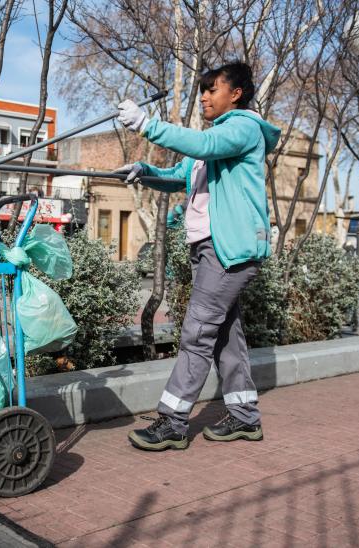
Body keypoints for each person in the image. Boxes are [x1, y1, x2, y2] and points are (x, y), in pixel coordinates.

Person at [115, 62, 281, 451]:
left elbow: (203, 146)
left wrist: (146, 124)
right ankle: (244, 417)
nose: (204, 97)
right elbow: (179, 175)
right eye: (202, 90)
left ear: (236, 93)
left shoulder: (242, 128)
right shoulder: (216, 140)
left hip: (229, 250)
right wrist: (144, 171)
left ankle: (172, 422)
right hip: (210, 248)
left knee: (196, 332)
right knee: (224, 334)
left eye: (212, 89)